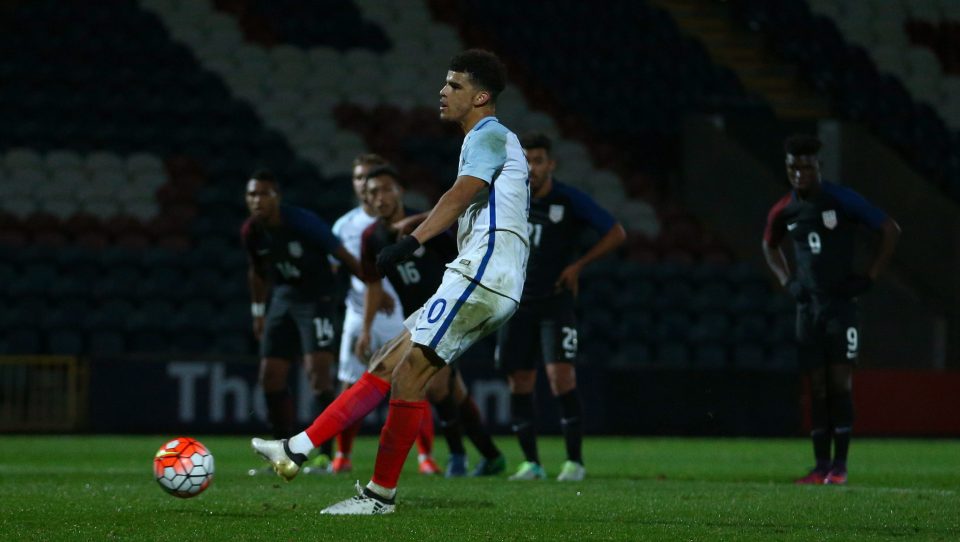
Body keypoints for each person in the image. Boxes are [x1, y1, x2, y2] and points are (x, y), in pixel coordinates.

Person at [252, 48, 528, 515]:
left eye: (454, 85)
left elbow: (462, 193)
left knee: (409, 375)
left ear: (482, 96)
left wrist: (413, 241)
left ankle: (380, 495)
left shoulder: (489, 134)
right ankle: (296, 448)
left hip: (483, 274)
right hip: (482, 275)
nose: (442, 91)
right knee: (385, 361)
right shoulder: (488, 140)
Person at [762, 135, 900, 485]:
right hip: (808, 309)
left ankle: (840, 467)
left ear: (819, 167)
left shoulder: (840, 198)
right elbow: (768, 245)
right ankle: (820, 465)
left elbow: (889, 229)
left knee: (840, 383)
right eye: (794, 167)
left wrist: (869, 277)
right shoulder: (785, 208)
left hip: (841, 306)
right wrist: (787, 281)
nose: (799, 173)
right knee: (818, 387)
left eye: (806, 166)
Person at [357, 165, 506, 478]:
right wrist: (366, 329)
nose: (380, 197)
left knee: (438, 387)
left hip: (452, 308)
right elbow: (372, 284)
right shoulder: (371, 239)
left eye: (386, 189)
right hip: (419, 318)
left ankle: (456, 457)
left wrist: (417, 223)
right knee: (455, 392)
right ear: (366, 200)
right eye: (373, 193)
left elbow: (463, 249)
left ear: (399, 191)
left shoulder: (427, 225)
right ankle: (491, 456)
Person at [497, 132, 626, 482]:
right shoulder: (511, 199)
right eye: (525, 160)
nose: (531, 168)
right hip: (517, 304)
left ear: (550, 164)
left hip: (555, 303)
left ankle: (574, 462)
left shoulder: (568, 200)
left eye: (538, 160)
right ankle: (532, 464)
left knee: (560, 379)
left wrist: (578, 266)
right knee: (519, 382)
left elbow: (616, 232)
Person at [241, 169, 364, 475]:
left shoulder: (302, 222)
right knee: (270, 376)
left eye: (264, 193)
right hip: (283, 300)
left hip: (317, 299)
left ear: (277, 197)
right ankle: (280, 451)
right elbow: (256, 272)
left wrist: (374, 285)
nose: (257, 200)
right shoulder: (251, 232)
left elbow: (343, 256)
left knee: (318, 377)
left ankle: (324, 454)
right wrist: (258, 312)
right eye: (252, 194)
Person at [329, 154, 439, 476]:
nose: (367, 187)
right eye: (360, 179)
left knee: (414, 383)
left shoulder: (412, 221)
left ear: (397, 190)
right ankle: (342, 455)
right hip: (361, 312)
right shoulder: (348, 226)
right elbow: (348, 272)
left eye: (372, 180)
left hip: (400, 315)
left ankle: (426, 457)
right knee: (350, 386)